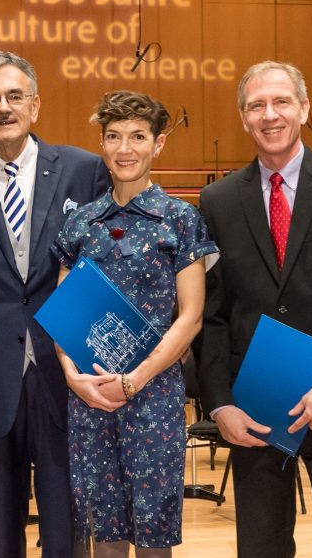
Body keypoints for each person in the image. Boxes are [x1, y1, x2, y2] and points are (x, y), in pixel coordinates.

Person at [195, 61, 312, 557]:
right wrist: (220, 405)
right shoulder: (216, 201)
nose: (270, 115)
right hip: (253, 411)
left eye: (281, 102)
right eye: (257, 105)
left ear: (304, 108)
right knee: (261, 546)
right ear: (243, 118)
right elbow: (212, 315)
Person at [0, 50, 109, 557]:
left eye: (14, 96)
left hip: (66, 369)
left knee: (67, 523)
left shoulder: (85, 171)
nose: (3, 107)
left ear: (36, 105)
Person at [51, 90, 215, 557]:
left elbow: (192, 316)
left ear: (158, 144)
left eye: (138, 137)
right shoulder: (81, 222)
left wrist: (135, 380)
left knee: (153, 533)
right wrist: (71, 374)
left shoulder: (182, 220)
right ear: (102, 143)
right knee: (104, 532)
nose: (125, 148)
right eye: (114, 137)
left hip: (154, 395)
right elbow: (65, 311)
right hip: (89, 393)